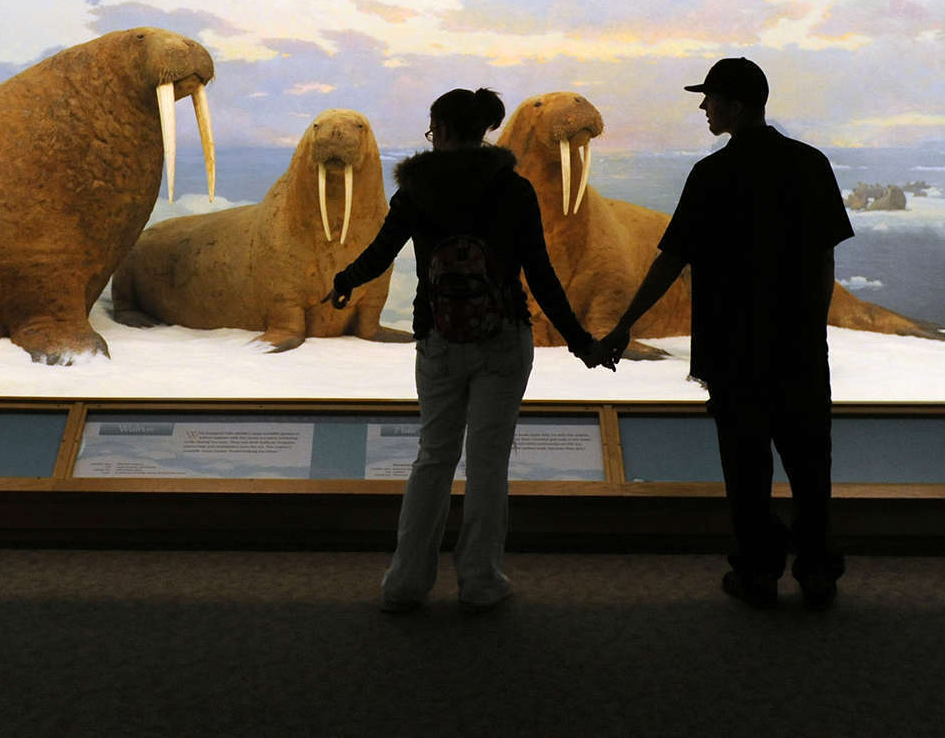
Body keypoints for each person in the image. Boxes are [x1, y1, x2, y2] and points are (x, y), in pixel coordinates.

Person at [327, 87, 598, 614]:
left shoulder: (416, 190)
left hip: (439, 339)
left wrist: (344, 281)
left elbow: (380, 254)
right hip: (504, 338)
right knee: (488, 464)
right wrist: (579, 339)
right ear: (483, 130)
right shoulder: (513, 189)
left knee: (433, 457)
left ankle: (405, 584)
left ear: (443, 131)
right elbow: (540, 273)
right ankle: (480, 582)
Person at [597, 57, 851, 610]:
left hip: (733, 348)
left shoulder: (712, 175)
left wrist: (624, 325)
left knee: (746, 466)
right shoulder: (810, 163)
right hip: (799, 347)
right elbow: (825, 258)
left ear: (734, 106)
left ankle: (758, 572)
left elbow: (671, 260)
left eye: (710, 98)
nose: (703, 106)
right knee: (811, 462)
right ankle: (817, 572)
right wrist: (811, 327)